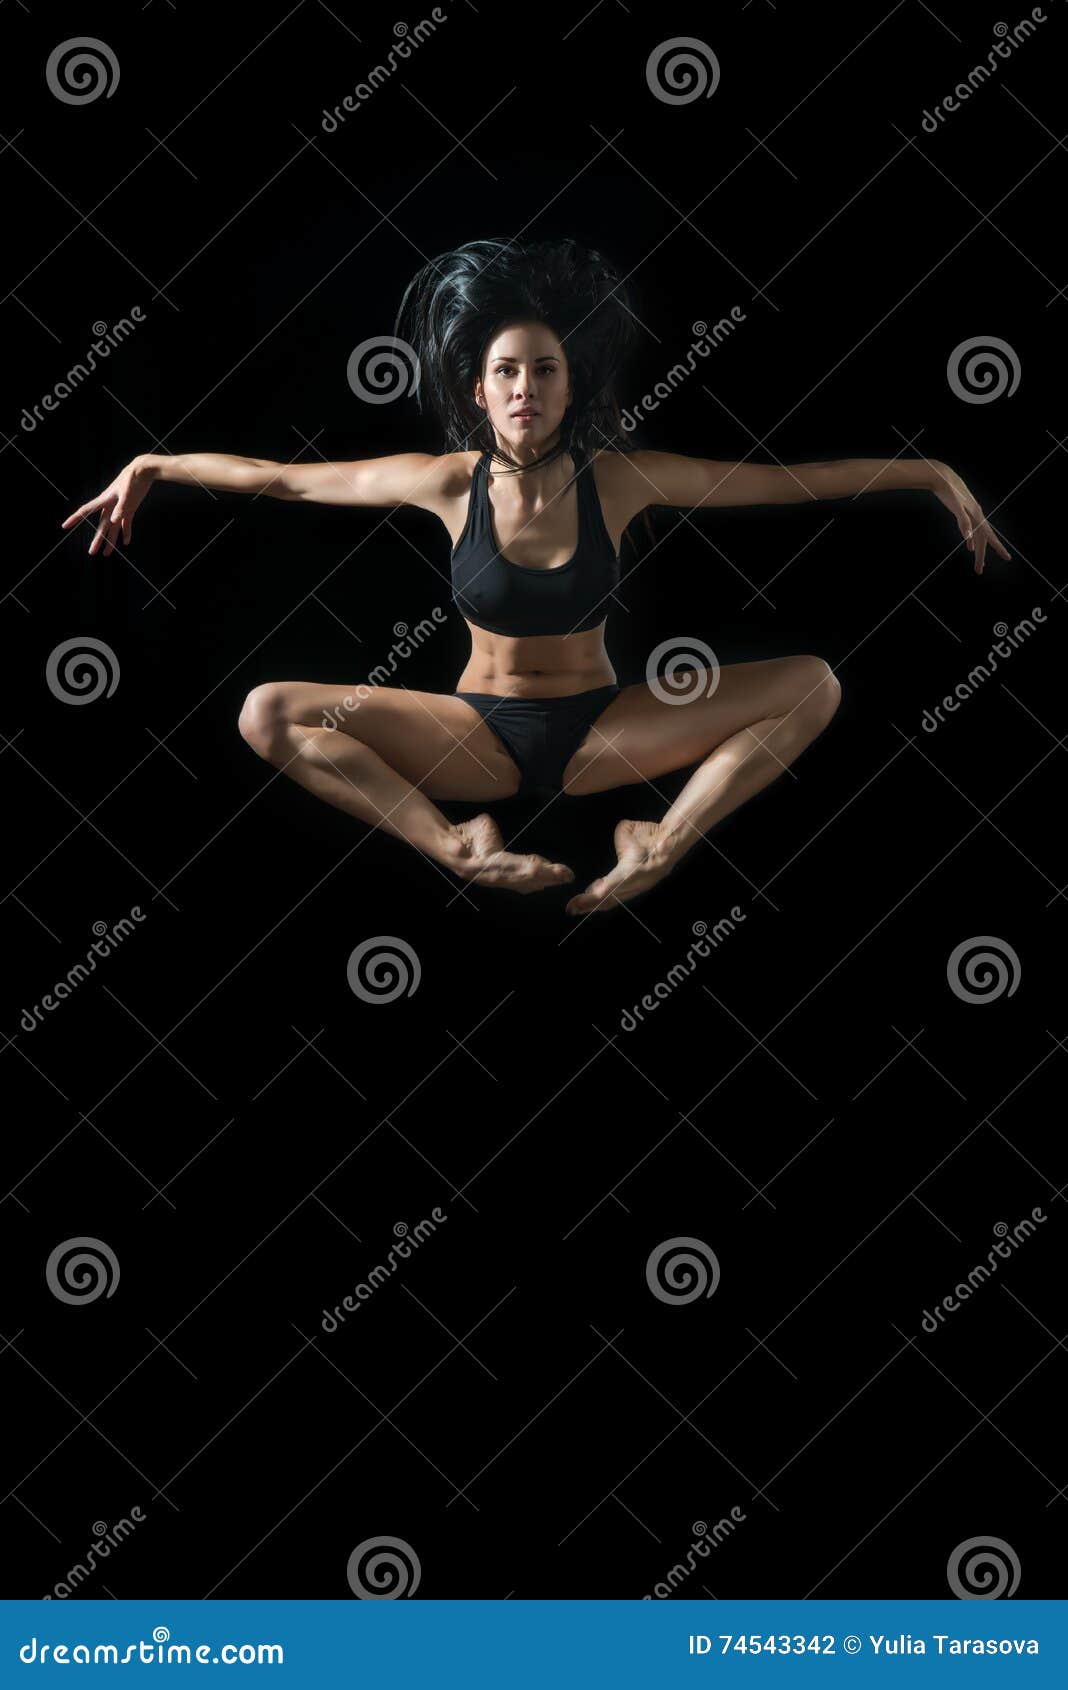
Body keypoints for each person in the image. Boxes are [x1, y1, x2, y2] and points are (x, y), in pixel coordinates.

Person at [61, 236, 1010, 915]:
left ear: (569, 385)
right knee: (266, 711)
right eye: (508, 372)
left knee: (815, 683)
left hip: (604, 733)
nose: (526, 389)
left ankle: (660, 842)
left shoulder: (623, 479)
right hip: (479, 737)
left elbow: (786, 483)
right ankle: (456, 845)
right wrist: (153, 466)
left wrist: (931, 472)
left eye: (545, 371)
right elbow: (283, 480)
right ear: (479, 389)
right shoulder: (443, 483)